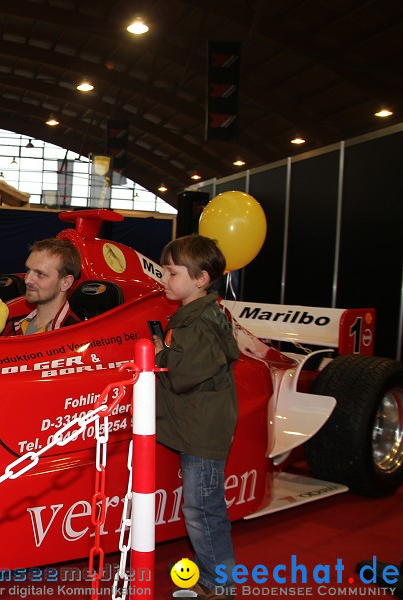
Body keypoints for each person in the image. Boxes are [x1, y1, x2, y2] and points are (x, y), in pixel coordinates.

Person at [152, 235, 239, 600]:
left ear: (201, 279)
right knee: (201, 506)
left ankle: (219, 584)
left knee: (202, 509)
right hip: (196, 424)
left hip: (202, 429)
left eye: (172, 273)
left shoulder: (200, 323)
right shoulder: (195, 314)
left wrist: (159, 354)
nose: (165, 280)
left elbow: (185, 373)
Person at [10, 238, 81, 335]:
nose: (27, 280)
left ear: (66, 282)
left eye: (40, 274)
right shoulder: (12, 326)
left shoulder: (75, 335)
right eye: (28, 270)